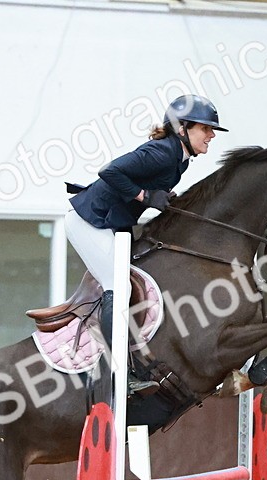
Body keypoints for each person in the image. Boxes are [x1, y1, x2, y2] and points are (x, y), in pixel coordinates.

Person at [66, 94, 227, 395]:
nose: (212, 135)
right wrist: (144, 197)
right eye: (205, 128)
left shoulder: (180, 160)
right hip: (91, 221)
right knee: (120, 286)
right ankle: (119, 373)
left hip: (114, 224)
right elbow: (110, 171)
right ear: (182, 129)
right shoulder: (162, 152)